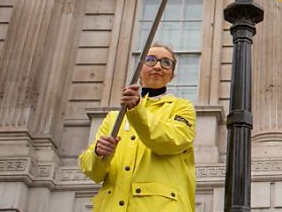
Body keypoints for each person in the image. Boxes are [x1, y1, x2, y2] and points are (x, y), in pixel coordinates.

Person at [79, 44, 196, 211]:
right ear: (139, 69)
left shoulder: (182, 108)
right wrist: (98, 153)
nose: (157, 66)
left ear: (172, 75)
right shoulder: (114, 117)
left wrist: (136, 110)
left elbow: (170, 140)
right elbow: (94, 173)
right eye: (150, 60)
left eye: (166, 63)